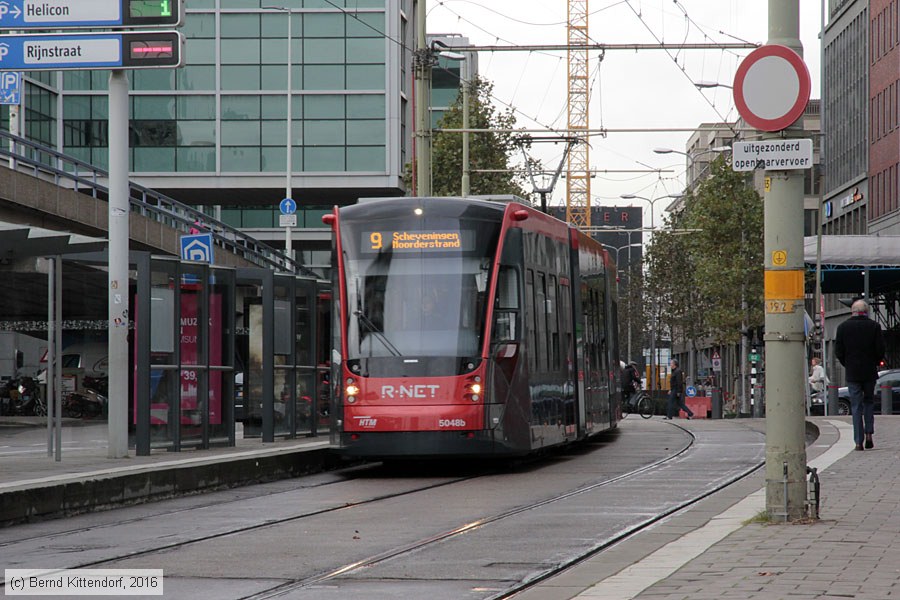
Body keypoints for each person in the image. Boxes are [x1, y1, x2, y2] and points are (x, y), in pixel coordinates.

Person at [835, 299, 885, 451]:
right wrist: (874, 362)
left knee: (856, 406)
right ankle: (869, 433)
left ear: (852, 311)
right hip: (869, 371)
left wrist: (847, 364)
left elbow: (839, 352)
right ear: (866, 311)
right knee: (869, 402)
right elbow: (880, 350)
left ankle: (858, 441)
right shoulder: (874, 326)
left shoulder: (843, 327)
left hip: (853, 372)